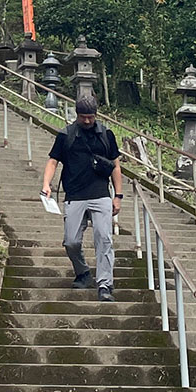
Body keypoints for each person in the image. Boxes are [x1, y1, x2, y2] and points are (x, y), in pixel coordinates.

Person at [41, 92, 122, 300]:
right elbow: (53, 161)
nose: (87, 120)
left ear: (96, 114)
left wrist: (118, 195)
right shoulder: (66, 135)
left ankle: (105, 285)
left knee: (104, 238)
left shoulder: (106, 134)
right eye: (83, 116)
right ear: (77, 114)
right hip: (74, 194)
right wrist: (46, 184)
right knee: (70, 242)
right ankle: (83, 272)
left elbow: (115, 166)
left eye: (91, 116)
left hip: (100, 194)